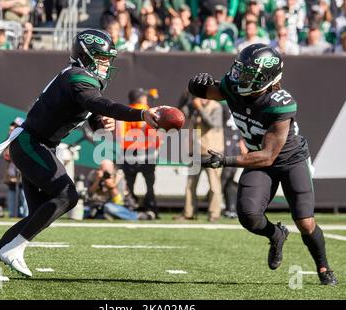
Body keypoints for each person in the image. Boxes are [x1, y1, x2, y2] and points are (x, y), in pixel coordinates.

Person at [0, 28, 158, 281]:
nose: (106, 63)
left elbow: (87, 111)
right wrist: (141, 114)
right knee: (67, 195)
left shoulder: (79, 77)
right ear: (87, 55)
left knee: (39, 214)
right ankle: (15, 248)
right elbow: (99, 104)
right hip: (31, 143)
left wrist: (98, 122)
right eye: (102, 57)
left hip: (36, 144)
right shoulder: (78, 77)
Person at [187, 43, 337, 285]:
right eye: (239, 70)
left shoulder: (280, 103)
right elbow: (206, 92)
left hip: (289, 160)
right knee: (248, 215)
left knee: (305, 222)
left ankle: (324, 267)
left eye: (247, 74)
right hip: (259, 158)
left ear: (266, 79)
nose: (238, 77)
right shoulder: (233, 87)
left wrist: (224, 160)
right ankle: (276, 234)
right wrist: (196, 83)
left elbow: (268, 155)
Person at [175, 96, 224, 222]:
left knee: (214, 186)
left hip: (212, 152)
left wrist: (200, 108)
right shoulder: (193, 107)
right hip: (196, 152)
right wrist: (186, 102)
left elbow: (212, 124)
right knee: (190, 185)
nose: (199, 99)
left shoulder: (216, 107)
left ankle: (214, 214)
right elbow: (181, 114)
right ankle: (188, 213)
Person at [117, 88, 160, 217]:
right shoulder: (148, 111)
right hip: (148, 152)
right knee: (149, 183)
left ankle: (130, 208)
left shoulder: (124, 113)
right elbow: (154, 134)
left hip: (128, 152)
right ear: (141, 98)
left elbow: (120, 136)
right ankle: (151, 208)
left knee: (129, 184)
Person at [86, 159, 155, 220]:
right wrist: (97, 181)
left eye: (107, 172)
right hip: (98, 205)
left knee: (109, 208)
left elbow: (119, 202)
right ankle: (104, 215)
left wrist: (112, 187)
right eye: (103, 171)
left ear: (113, 170)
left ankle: (138, 216)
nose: (105, 174)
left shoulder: (119, 177)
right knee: (82, 210)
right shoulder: (93, 175)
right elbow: (89, 195)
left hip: (119, 206)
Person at [3, 117, 28, 218]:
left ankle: (27, 216)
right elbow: (6, 155)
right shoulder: (9, 139)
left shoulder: (25, 138)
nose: (12, 127)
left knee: (24, 194)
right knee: (12, 192)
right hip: (12, 174)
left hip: (24, 173)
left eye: (15, 126)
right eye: (12, 125)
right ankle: (12, 214)